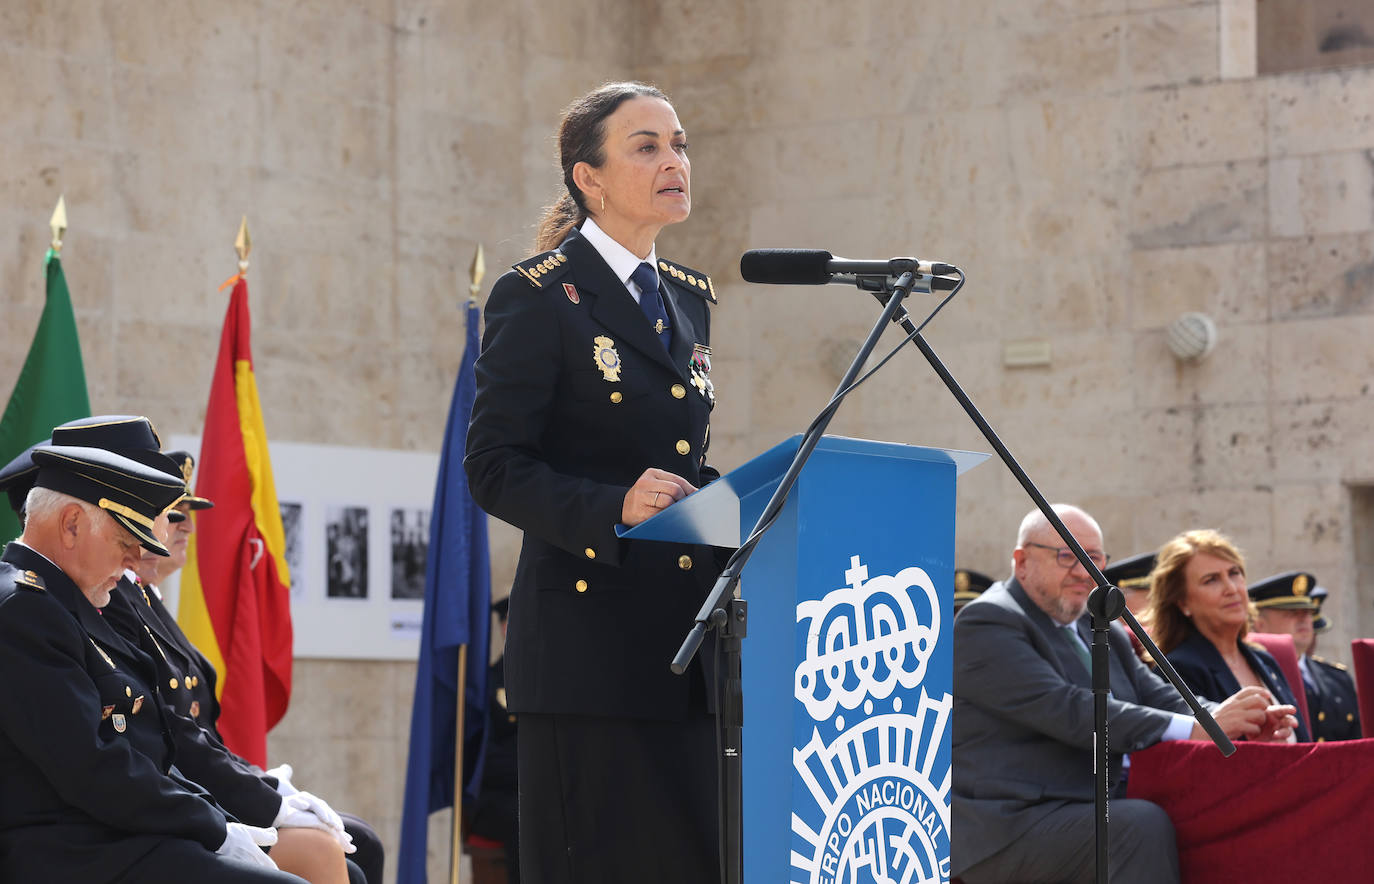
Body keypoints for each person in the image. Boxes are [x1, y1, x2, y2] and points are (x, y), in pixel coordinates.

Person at [464, 81, 723, 884]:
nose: (673, 161)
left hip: (684, 648)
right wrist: (614, 506)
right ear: (590, 178)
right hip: (589, 655)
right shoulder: (538, 294)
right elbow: (494, 466)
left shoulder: (687, 299)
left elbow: (678, 461)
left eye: (678, 143)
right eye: (646, 146)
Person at [0, 419, 356, 884]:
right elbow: (93, 766)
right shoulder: (24, 609)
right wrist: (216, 826)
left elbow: (154, 747)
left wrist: (223, 813)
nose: (134, 562)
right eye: (126, 543)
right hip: (67, 851)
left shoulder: (64, 603)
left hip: (113, 834)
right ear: (71, 525)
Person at [952, 505, 1297, 884]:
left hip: (1090, 804)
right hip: (1012, 825)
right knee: (1140, 826)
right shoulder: (988, 622)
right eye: (1067, 556)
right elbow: (1072, 710)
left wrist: (1238, 720)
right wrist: (1201, 729)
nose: (1084, 572)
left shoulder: (1097, 624)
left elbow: (1162, 697)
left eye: (1094, 558)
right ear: (1021, 561)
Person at [1145, 530, 1311, 742]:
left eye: (1234, 573)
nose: (1231, 588)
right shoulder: (1177, 669)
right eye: (1211, 580)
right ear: (1183, 603)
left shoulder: (1265, 660)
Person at [1251, 572, 1361, 741]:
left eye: (1308, 611)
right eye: (1291, 611)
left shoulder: (1338, 678)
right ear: (1259, 623)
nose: (1303, 618)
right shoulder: (1248, 674)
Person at [467, 596, 519, 882]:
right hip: (496, 799)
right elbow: (484, 758)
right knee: (524, 817)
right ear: (503, 627)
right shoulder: (486, 683)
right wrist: (536, 768)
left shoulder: (550, 682)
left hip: (541, 790)